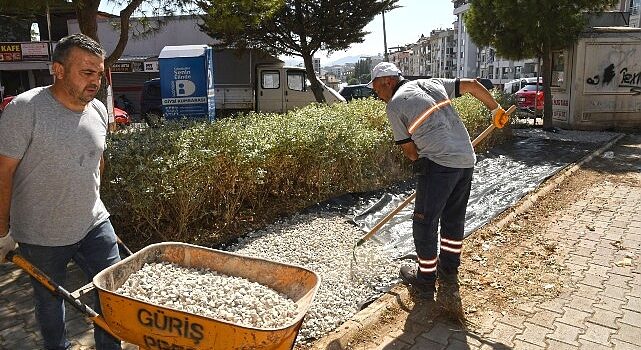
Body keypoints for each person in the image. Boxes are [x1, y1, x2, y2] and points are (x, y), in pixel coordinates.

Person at [0, 33, 122, 350]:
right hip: (42, 234)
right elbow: (3, 172)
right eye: (86, 72)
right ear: (58, 69)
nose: (95, 81)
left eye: (99, 73)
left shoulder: (97, 109)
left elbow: (97, 161)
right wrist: (2, 231)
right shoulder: (24, 110)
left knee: (113, 294)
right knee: (50, 303)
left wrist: (94, 198)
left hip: (94, 223)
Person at [367, 62, 508, 309]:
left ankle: (425, 279)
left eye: (377, 88)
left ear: (387, 81)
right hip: (465, 161)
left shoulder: (395, 105)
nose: (377, 94)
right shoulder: (432, 83)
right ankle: (449, 270)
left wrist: (427, 150)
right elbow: (474, 86)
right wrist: (496, 108)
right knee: (453, 219)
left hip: (440, 165)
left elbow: (411, 154)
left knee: (424, 223)